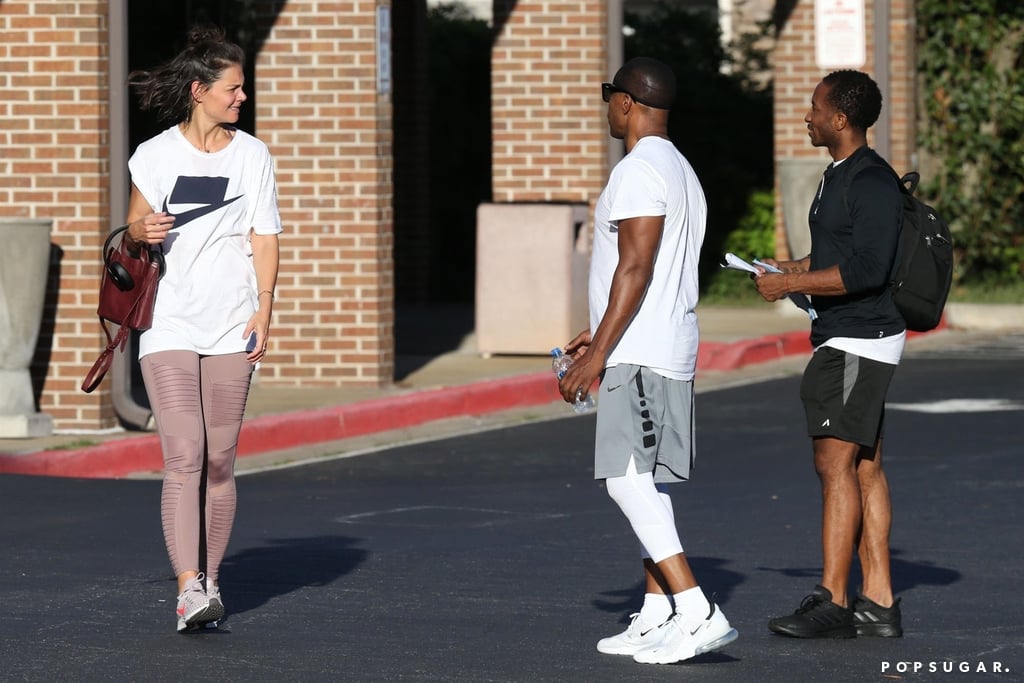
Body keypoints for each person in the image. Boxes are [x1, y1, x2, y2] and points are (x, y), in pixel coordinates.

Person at [557, 57, 738, 665]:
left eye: (610, 96)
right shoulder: (681, 170)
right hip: (667, 341)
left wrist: (599, 354)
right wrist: (596, 330)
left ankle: (695, 608)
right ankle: (659, 613)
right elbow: (647, 272)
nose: (607, 106)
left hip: (640, 350)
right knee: (650, 481)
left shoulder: (638, 171)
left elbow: (636, 267)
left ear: (629, 103)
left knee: (625, 478)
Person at [124, 26, 282, 633]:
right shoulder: (156, 154)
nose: (242, 97)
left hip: (231, 323)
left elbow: (264, 237)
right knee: (184, 453)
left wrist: (263, 309)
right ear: (199, 91)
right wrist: (143, 232)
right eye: (233, 88)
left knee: (221, 460)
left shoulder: (253, 156)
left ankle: (212, 580)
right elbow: (134, 227)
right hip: (168, 321)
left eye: (243, 88)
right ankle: (188, 587)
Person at [754, 70, 905, 639]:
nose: (807, 116)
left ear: (840, 119)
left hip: (856, 340)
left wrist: (801, 284)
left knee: (833, 465)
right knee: (864, 466)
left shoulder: (869, 180)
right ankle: (879, 602)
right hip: (852, 337)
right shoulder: (839, 175)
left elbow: (868, 269)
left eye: (815, 108)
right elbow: (832, 254)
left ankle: (834, 599)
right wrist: (784, 273)